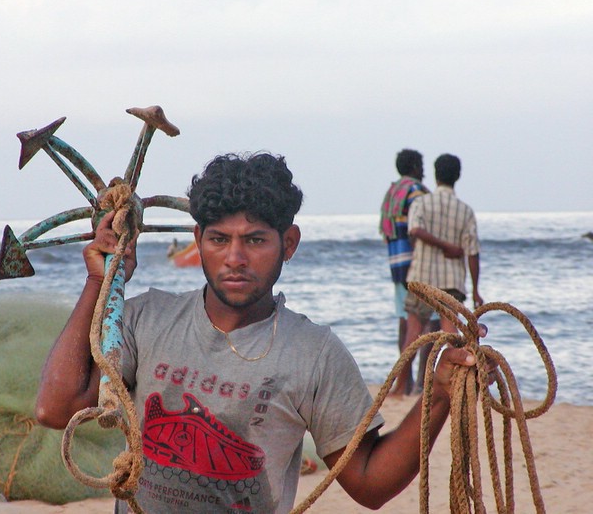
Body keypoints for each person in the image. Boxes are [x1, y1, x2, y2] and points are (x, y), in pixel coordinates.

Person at [36, 152, 488, 513]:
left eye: (254, 240)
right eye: (219, 239)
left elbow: (369, 482)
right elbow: (56, 408)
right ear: (199, 239)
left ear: (288, 243)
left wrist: (440, 394)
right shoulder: (146, 319)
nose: (235, 258)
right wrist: (99, 282)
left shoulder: (314, 354)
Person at [392, 153, 482, 397]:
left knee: (412, 335)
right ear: (457, 176)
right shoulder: (465, 211)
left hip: (421, 275)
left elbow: (414, 231)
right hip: (452, 280)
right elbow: (472, 252)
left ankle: (400, 387)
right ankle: (453, 387)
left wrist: (434, 246)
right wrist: (475, 289)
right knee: (450, 335)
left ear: (435, 175)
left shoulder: (422, 203)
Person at [379, 149, 441, 394]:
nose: (424, 170)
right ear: (414, 165)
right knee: (430, 323)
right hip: (418, 265)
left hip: (397, 264)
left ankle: (404, 382)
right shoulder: (416, 191)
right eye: (421, 165)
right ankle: (421, 383)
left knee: (405, 321)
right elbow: (421, 228)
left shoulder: (392, 192)